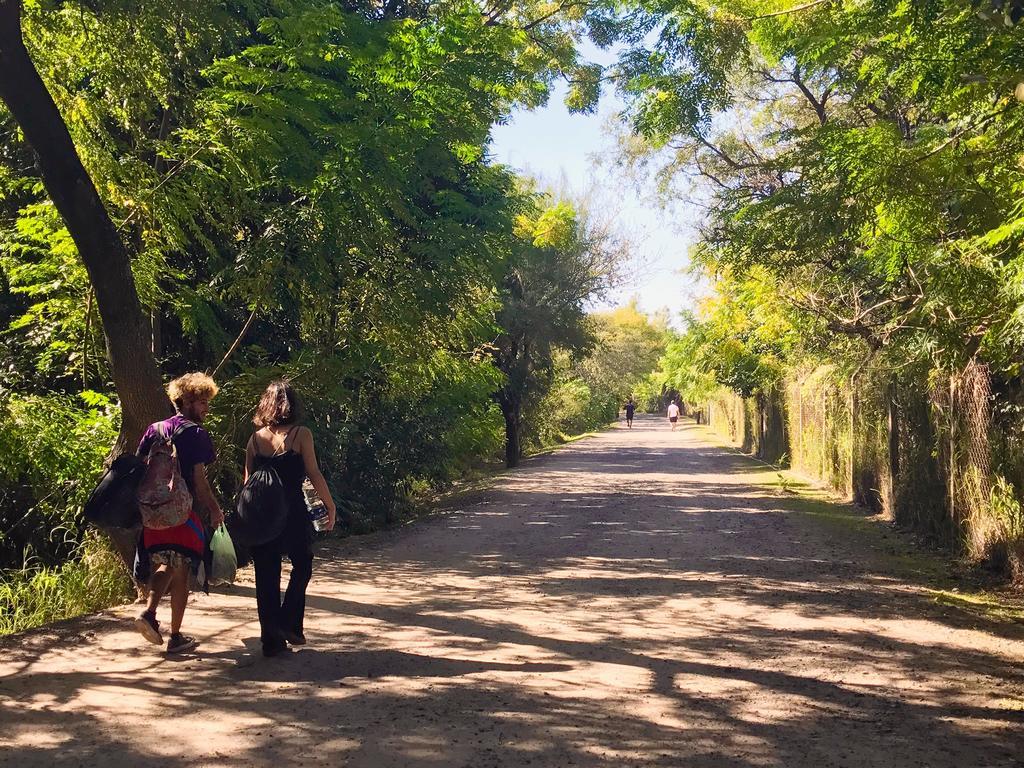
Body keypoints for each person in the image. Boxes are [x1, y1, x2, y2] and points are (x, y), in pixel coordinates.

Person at [134, 372, 224, 654]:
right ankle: (172, 635)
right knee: (180, 568)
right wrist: (214, 509)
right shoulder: (196, 434)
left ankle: (156, 619)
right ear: (185, 401)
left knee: (168, 564)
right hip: (181, 514)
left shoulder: (154, 429)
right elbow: (199, 481)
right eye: (202, 402)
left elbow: (140, 469)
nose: (206, 408)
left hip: (152, 514)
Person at [245, 380, 336, 657]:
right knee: (303, 564)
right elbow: (314, 473)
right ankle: (289, 623)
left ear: (266, 405)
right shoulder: (301, 435)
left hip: (262, 514)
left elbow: (248, 482)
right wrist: (329, 506)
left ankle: (271, 641)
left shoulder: (254, 439)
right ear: (292, 405)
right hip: (294, 512)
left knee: (266, 574)